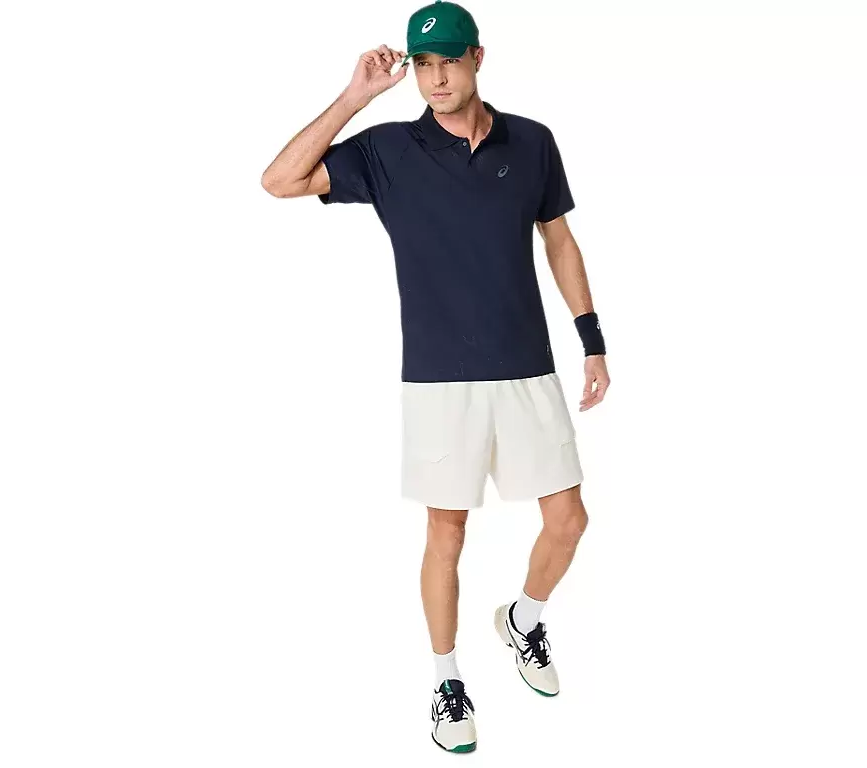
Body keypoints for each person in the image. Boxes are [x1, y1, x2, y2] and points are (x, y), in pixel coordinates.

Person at [261, 0, 610, 754]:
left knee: (569, 520)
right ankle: (447, 681)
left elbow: (559, 238)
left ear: (477, 58)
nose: (436, 77)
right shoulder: (388, 150)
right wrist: (355, 97)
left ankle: (523, 619)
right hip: (438, 379)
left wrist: (592, 339)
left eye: (448, 60)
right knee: (446, 532)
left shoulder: (533, 141)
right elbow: (279, 180)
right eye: (422, 64)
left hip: (526, 368)